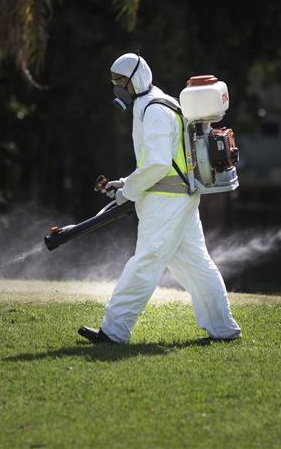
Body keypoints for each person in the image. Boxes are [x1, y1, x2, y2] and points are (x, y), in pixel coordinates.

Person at [78, 53, 242, 343]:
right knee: (195, 264)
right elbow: (164, 161)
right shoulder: (164, 101)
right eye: (114, 81)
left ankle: (113, 332)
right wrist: (127, 183)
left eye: (120, 81)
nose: (117, 87)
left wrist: (128, 192)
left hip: (166, 200)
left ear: (134, 79)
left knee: (145, 261)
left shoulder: (151, 109)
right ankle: (224, 330)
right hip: (180, 196)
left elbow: (157, 164)